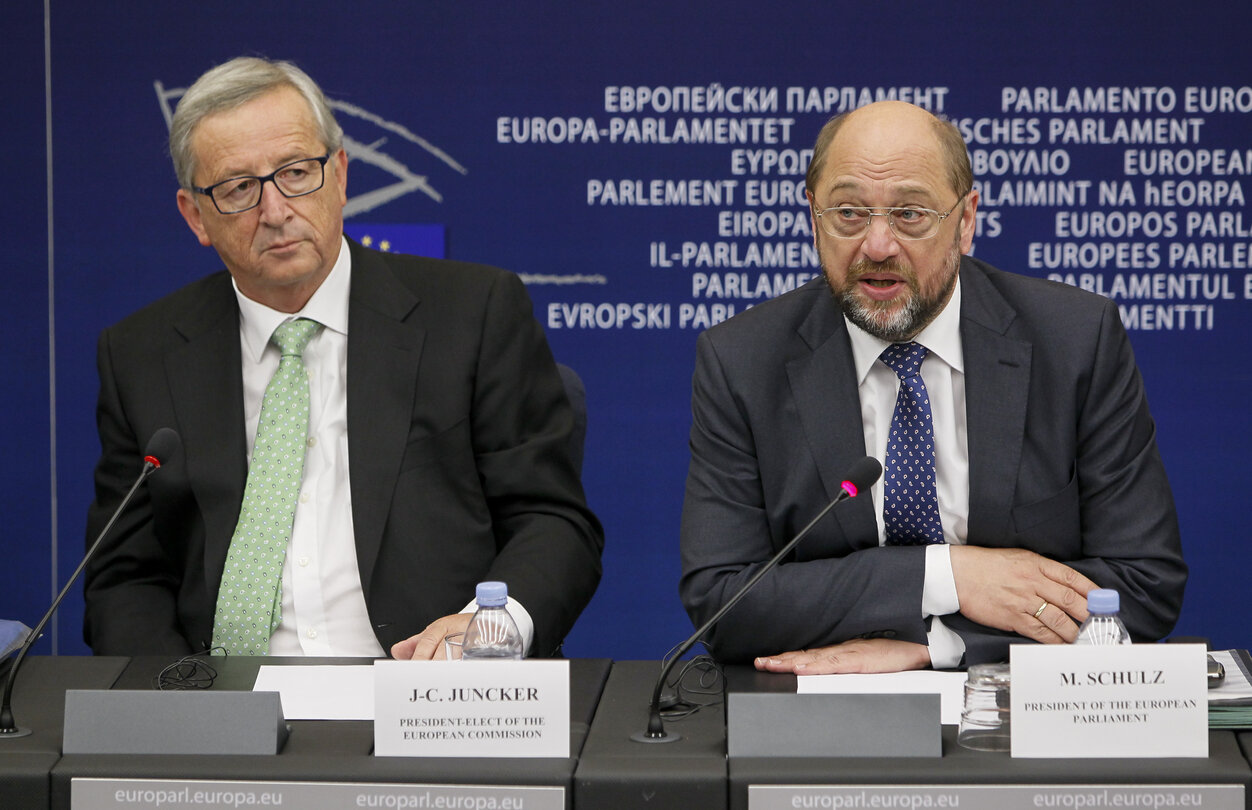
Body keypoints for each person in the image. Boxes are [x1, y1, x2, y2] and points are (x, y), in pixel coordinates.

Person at [82, 57, 603, 660]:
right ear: (195, 215)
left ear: (341, 176)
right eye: (238, 189)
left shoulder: (473, 314)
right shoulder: (142, 355)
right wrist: (181, 707)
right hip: (228, 721)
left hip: (431, 701)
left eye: (297, 173)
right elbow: (125, 576)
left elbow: (553, 523)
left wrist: (486, 633)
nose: (275, 212)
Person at [679, 100, 1186, 674]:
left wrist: (940, 647)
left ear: (965, 221)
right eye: (848, 211)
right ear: (812, 218)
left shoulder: (1074, 342)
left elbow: (1145, 584)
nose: (876, 245)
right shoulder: (742, 360)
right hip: (819, 727)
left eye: (910, 214)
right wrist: (946, 576)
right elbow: (723, 603)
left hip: (1025, 717)